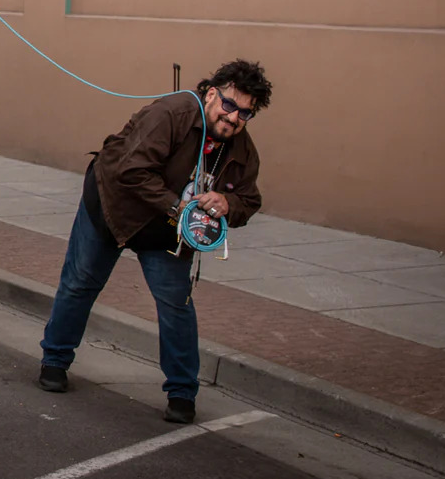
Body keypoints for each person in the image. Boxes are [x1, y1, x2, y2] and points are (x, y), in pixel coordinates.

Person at [37, 59, 272, 424]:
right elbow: (131, 169)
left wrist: (229, 203)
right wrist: (177, 206)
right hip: (113, 206)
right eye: (229, 104)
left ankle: (181, 392)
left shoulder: (241, 149)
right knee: (81, 282)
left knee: (176, 303)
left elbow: (250, 200)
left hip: (167, 230)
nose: (234, 117)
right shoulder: (171, 113)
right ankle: (54, 360)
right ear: (211, 94)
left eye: (245, 113)